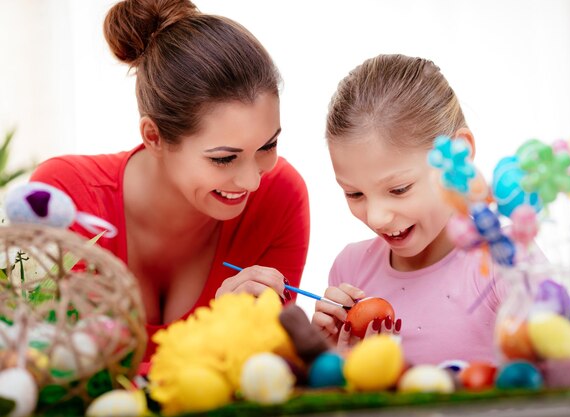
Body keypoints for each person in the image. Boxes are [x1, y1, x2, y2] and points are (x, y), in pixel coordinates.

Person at [30, 0, 310, 362]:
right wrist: (210, 336)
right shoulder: (63, 198)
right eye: (223, 158)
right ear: (154, 137)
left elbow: (263, 374)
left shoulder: (280, 195)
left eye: (268, 145)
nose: (252, 181)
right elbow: (51, 372)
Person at [312, 54, 504, 366]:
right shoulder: (350, 271)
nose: (375, 217)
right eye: (354, 193)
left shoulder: (502, 263)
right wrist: (329, 361)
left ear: (458, 155)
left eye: (399, 189)